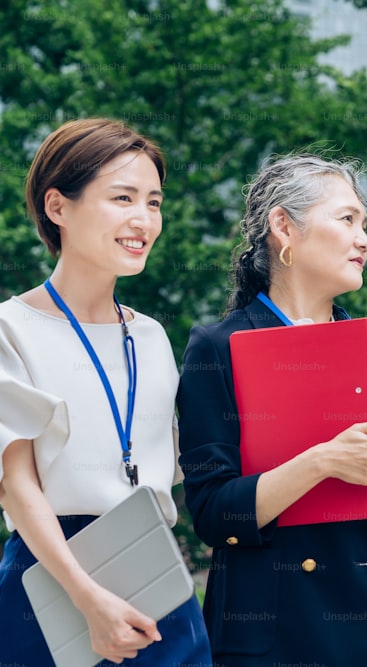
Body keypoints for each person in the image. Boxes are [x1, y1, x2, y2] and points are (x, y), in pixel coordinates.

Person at [175, 154, 367, 667]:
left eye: (364, 224)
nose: (365, 239)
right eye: (346, 219)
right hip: (293, 642)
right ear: (283, 226)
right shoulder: (221, 348)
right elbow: (216, 513)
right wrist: (323, 462)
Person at [0, 118, 212, 665]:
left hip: (157, 576)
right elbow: (16, 486)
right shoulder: (10, 329)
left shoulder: (151, 335)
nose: (143, 220)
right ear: (58, 207)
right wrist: (87, 597)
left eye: (154, 202)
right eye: (123, 198)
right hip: (51, 585)